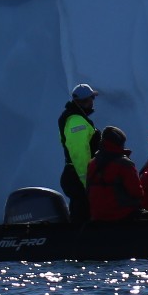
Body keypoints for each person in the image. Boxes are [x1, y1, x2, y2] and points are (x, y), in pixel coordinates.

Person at [57, 83, 99, 224]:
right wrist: (86, 180)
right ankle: (79, 242)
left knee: (81, 213)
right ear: (85, 101)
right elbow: (79, 152)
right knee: (82, 215)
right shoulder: (76, 121)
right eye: (91, 98)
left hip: (75, 175)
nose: (93, 102)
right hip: (77, 176)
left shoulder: (76, 117)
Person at [87, 127, 148, 222]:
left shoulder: (92, 163)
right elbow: (137, 192)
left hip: (97, 215)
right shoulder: (124, 164)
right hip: (122, 214)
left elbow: (88, 189)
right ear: (120, 143)